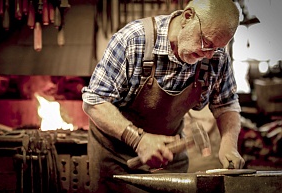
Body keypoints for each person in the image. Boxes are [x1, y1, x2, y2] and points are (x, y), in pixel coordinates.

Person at [82, 0, 245, 192]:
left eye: (216, 48)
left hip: (168, 158)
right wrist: (138, 140)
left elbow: (226, 104)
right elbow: (94, 101)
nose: (208, 55)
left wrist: (228, 145)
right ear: (187, 17)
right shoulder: (133, 40)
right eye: (205, 43)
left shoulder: (215, 57)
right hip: (116, 158)